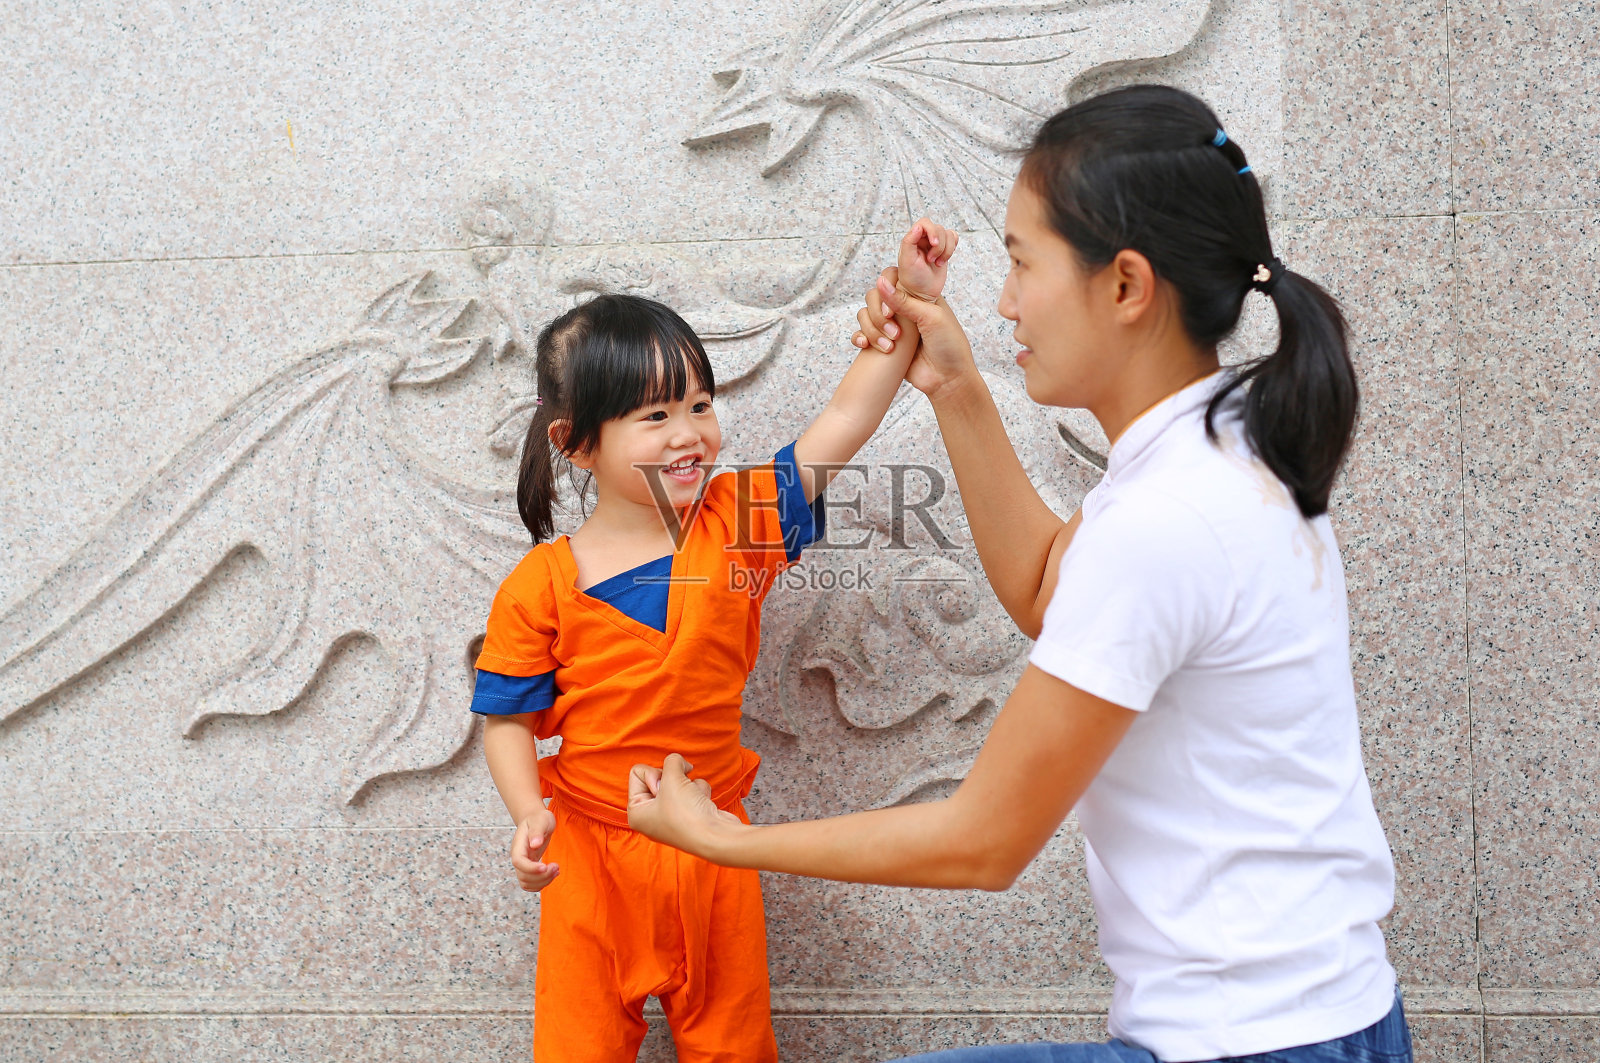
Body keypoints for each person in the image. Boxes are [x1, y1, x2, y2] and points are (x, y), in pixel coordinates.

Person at [627, 85, 1414, 1062]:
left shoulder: (1169, 517)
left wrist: (723, 840)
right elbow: (1051, 588)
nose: (1002, 302)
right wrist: (951, 381)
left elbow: (982, 840)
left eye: (1020, 262)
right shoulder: (1215, 448)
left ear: (1124, 286)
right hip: (1329, 1022)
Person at [470, 219, 957, 1062]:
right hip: (590, 853)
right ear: (576, 444)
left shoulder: (738, 525)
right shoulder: (542, 584)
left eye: (699, 403)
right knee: (578, 1048)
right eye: (655, 414)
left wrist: (908, 304)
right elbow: (506, 717)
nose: (689, 430)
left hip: (712, 840)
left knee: (733, 1045)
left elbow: (845, 417)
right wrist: (529, 814)